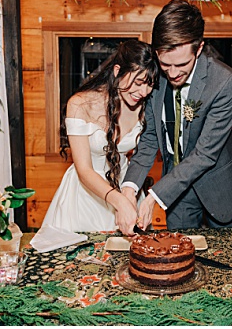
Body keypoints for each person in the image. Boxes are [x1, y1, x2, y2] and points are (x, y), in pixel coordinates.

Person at [121, 0, 232, 232]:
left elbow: (205, 154)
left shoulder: (225, 83)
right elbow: (150, 139)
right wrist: (129, 189)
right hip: (178, 194)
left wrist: (155, 196)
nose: (172, 73)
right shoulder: (156, 78)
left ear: (199, 48)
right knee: (179, 260)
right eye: (165, 64)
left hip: (220, 191)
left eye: (181, 64)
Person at [40, 40, 159, 233]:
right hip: (85, 194)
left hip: (126, 186)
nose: (144, 92)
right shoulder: (79, 104)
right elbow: (84, 170)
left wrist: (128, 196)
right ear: (117, 71)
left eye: (150, 84)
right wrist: (118, 200)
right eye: (138, 83)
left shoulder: (146, 106)